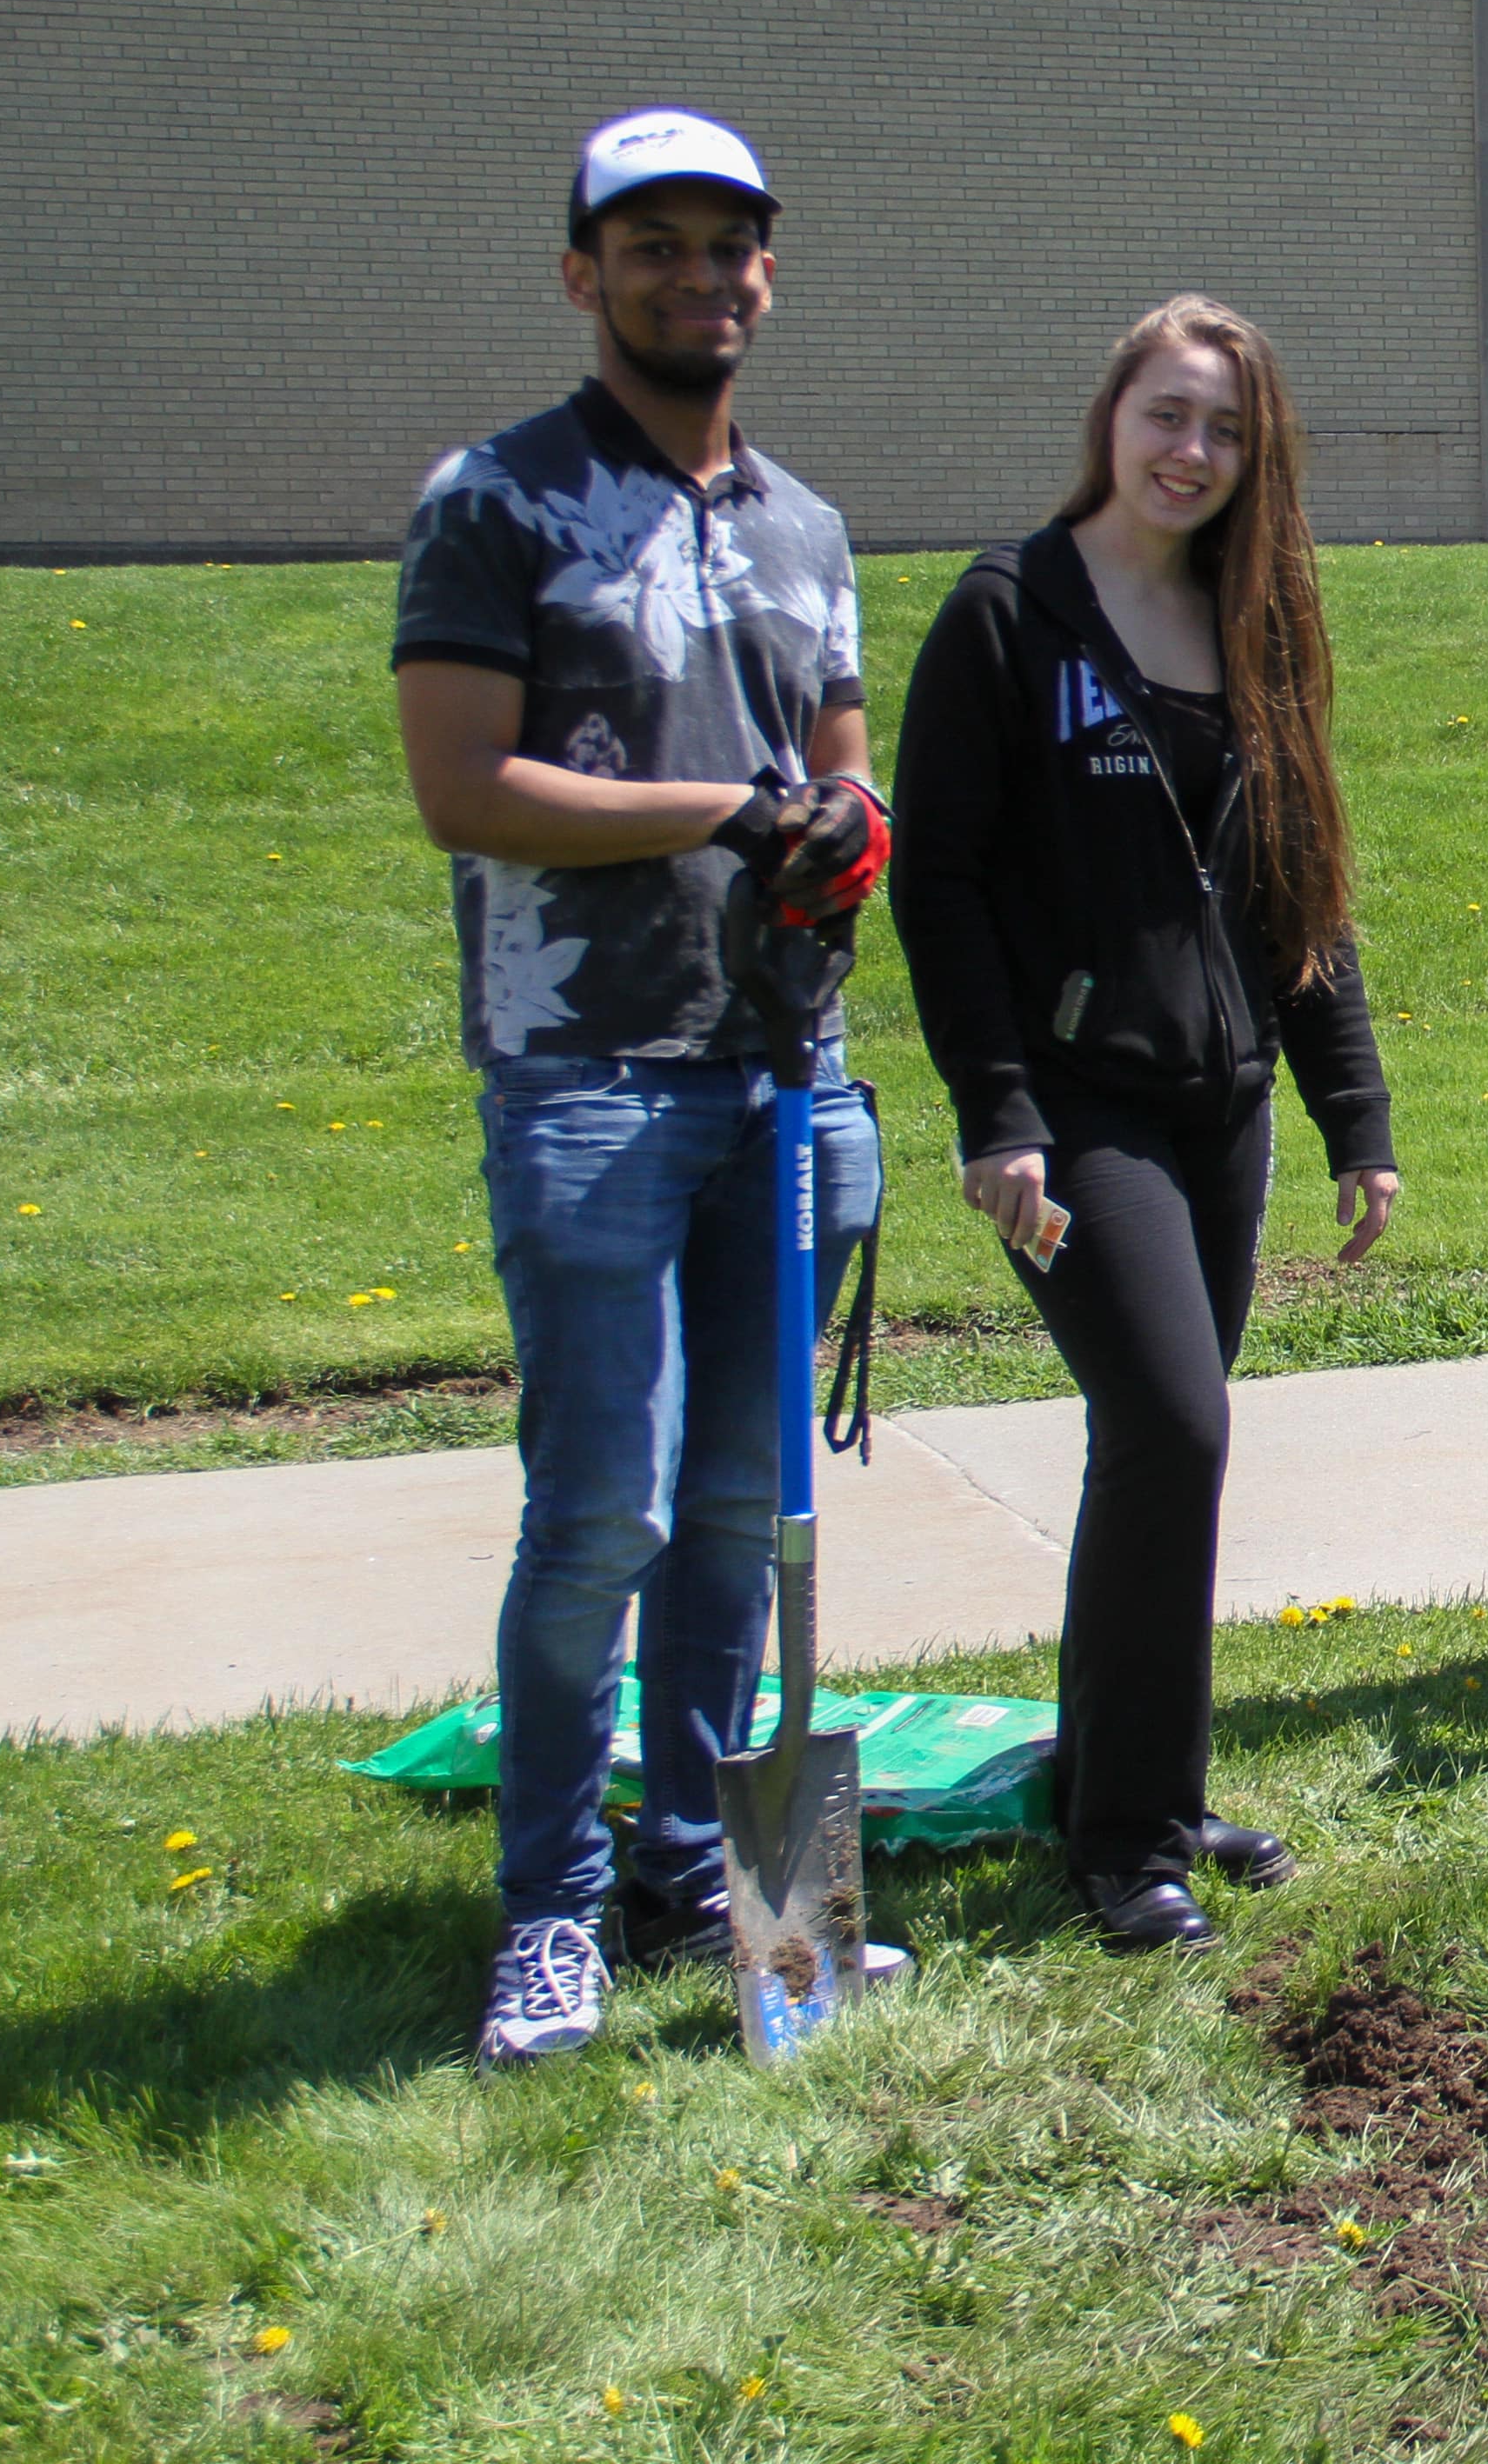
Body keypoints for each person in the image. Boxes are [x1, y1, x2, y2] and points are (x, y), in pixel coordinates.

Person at [392, 108, 894, 2068]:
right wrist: (729, 808)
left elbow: (842, 778)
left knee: (745, 1508)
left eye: (731, 246)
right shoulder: (496, 502)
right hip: (588, 1075)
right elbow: (466, 785)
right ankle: (551, 1911)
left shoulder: (806, 525)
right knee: (601, 1507)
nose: (701, 278)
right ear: (582, 270)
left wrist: (846, 828)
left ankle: (713, 1874)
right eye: (654, 245)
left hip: (785, 1076)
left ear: (769, 270)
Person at [891, 296, 1398, 1954]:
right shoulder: (1008, 616)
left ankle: (1147, 1799)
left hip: (1223, 1102)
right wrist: (999, 1110)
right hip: (1078, 1109)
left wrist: (1352, 1114)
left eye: (1228, 430)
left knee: (1164, 1454)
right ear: (1112, 415)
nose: (1194, 454)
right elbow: (944, 888)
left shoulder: (1255, 626)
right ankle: (1121, 1846)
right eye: (1169, 415)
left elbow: (1302, 888)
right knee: (1174, 1425)